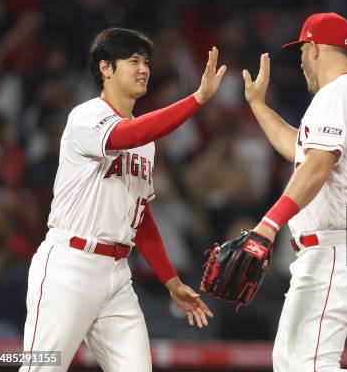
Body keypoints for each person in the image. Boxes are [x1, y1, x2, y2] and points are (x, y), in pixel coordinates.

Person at [21, 27, 226, 371]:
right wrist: (197, 99)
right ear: (105, 67)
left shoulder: (147, 142)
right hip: (70, 264)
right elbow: (127, 133)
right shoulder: (86, 116)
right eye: (133, 60)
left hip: (117, 275)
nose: (143, 69)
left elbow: (141, 216)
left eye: (146, 61)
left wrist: (171, 281)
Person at [242, 12, 347, 371]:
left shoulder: (338, 94)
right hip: (335, 247)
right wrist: (259, 106)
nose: (302, 61)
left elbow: (317, 166)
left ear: (316, 49)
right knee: (290, 364)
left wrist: (269, 224)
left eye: (302, 51)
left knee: (310, 367)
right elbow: (300, 150)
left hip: (335, 247)